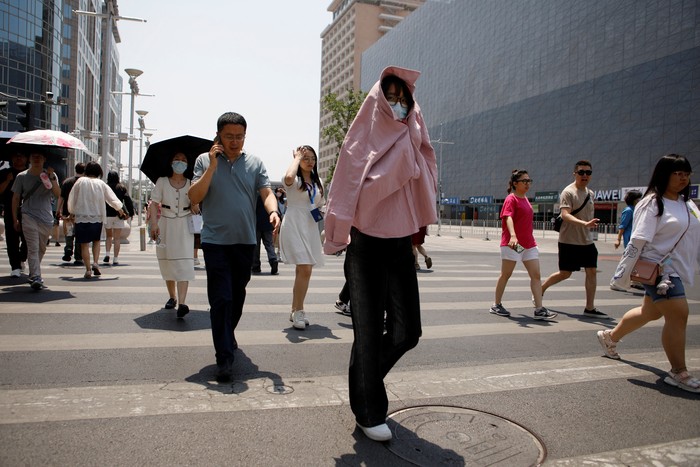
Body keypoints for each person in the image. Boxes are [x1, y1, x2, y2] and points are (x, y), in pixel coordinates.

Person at [323, 67, 437, 442]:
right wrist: (337, 232)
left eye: (404, 98)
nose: (399, 105)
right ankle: (369, 409)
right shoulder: (362, 136)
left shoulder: (415, 136)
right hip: (365, 242)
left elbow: (423, 181)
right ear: (378, 101)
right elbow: (347, 185)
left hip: (401, 242)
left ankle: (363, 381)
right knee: (368, 331)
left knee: (408, 332)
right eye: (391, 97)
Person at [188, 112, 280, 383]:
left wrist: (273, 212)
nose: (235, 141)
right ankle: (224, 356)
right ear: (218, 135)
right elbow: (194, 196)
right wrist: (212, 168)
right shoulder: (204, 161)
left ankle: (228, 332)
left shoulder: (254, 163)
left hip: (245, 241)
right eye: (229, 136)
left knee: (237, 296)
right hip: (214, 241)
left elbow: (266, 192)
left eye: (239, 136)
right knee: (221, 298)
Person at [600, 154, 700, 393]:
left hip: (677, 268)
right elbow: (638, 240)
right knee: (679, 315)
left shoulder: (688, 204)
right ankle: (678, 372)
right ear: (663, 175)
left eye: (686, 173)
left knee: (650, 312)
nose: (683, 177)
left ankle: (610, 337)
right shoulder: (652, 202)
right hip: (659, 270)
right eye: (677, 173)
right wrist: (624, 273)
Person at [540, 160, 610, 319]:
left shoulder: (590, 193)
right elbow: (565, 214)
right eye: (581, 172)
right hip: (568, 241)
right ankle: (541, 288)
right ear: (575, 174)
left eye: (588, 172)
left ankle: (590, 308)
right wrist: (585, 223)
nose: (585, 175)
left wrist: (588, 225)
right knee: (565, 273)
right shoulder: (568, 192)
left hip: (587, 241)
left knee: (591, 271)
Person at [489, 170, 556, 320]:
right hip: (513, 244)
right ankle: (496, 304)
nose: (527, 184)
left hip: (529, 244)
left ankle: (539, 309)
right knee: (506, 274)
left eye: (529, 181)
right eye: (524, 181)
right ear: (515, 183)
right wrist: (513, 235)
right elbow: (508, 218)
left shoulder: (525, 199)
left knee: (536, 275)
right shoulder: (511, 199)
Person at [279, 145, 325, 329]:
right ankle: (299, 311)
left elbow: (320, 202)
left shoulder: (318, 180)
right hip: (294, 224)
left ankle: (294, 309)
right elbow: (288, 178)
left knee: (303, 270)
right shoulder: (293, 178)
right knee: (305, 269)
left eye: (312, 158)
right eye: (305, 158)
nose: (310, 161)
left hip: (310, 225)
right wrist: (296, 158)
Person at [148, 152, 195, 318]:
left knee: (184, 263)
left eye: (184, 160)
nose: (180, 162)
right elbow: (154, 204)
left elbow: (196, 204)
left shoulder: (192, 183)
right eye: (177, 159)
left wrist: (195, 205)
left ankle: (182, 303)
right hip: (165, 224)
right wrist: (154, 224)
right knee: (168, 261)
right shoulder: (161, 181)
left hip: (184, 224)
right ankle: (172, 297)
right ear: (171, 162)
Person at [11, 148, 61, 289]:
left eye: (39, 157)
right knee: (32, 247)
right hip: (28, 215)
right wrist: (15, 218)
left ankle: (34, 272)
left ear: (44, 159)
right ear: (29, 159)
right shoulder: (22, 176)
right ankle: (36, 276)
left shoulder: (51, 175)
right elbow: (15, 198)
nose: (36, 159)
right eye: (34, 156)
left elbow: (57, 194)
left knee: (41, 249)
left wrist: (51, 177)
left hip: (46, 217)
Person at [67, 161, 125, 279]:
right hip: (97, 217)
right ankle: (95, 263)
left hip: (81, 217)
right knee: (96, 242)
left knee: (84, 245)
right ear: (99, 172)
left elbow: (72, 197)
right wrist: (120, 209)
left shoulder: (80, 182)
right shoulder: (101, 183)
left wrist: (71, 211)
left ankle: (88, 269)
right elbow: (111, 198)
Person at [1, 150, 28, 277]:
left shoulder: (31, 173)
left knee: (27, 237)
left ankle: (22, 256)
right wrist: (7, 181)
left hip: (29, 210)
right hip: (9, 209)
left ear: (26, 158)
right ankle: (15, 266)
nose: (18, 158)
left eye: (21, 155)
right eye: (16, 156)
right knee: (11, 239)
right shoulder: (5, 173)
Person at [611, 190, 644, 291]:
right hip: (630, 239)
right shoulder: (629, 210)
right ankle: (617, 281)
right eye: (639, 198)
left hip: (637, 238)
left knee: (635, 260)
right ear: (634, 200)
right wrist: (618, 240)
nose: (640, 200)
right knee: (628, 261)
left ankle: (635, 280)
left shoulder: (637, 209)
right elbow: (622, 226)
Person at [103, 171, 134, 266]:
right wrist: (131, 213)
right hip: (119, 215)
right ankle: (115, 259)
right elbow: (128, 201)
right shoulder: (121, 188)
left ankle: (107, 254)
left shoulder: (105, 187)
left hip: (107, 215)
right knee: (117, 238)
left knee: (108, 236)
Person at [57, 162, 85, 264]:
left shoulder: (67, 182)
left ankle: (68, 248)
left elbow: (61, 197)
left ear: (75, 170)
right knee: (79, 234)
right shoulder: (85, 183)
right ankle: (78, 257)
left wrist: (58, 210)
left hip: (67, 212)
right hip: (81, 213)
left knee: (69, 232)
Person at [252, 193, 279, 275]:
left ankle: (256, 266)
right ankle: (273, 259)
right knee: (269, 244)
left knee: (256, 246)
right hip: (268, 223)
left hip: (256, 223)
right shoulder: (270, 195)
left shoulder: (254, 195)